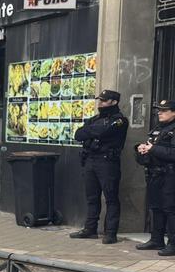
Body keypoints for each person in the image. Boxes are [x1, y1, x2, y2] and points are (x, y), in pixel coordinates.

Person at [71, 90, 129, 244]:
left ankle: (110, 233)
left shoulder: (120, 120)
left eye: (104, 100)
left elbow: (104, 131)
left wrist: (91, 131)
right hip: (90, 160)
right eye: (100, 100)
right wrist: (94, 131)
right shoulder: (95, 119)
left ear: (114, 102)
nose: (100, 103)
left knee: (111, 198)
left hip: (107, 162)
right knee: (92, 197)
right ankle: (90, 229)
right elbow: (78, 134)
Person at [136, 99, 175, 256]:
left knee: (170, 209)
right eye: (159, 110)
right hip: (155, 173)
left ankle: (173, 243)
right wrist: (142, 150)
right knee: (156, 207)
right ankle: (156, 239)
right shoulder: (158, 129)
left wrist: (153, 149)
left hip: (170, 175)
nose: (160, 112)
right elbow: (152, 148)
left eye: (164, 110)